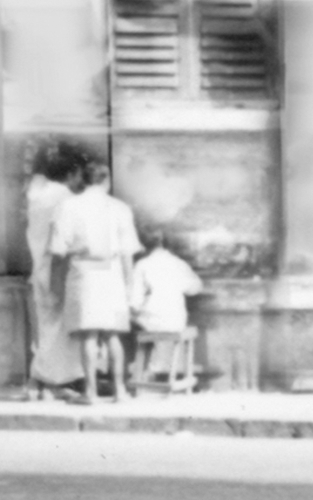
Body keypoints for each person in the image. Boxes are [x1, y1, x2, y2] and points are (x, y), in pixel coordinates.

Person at [49, 158, 144, 403]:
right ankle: (120, 391)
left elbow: (58, 251)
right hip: (112, 271)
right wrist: (129, 284)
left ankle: (90, 392)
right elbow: (127, 253)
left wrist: (54, 283)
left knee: (89, 335)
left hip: (84, 272)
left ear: (83, 180)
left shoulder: (68, 206)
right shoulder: (119, 208)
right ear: (106, 181)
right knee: (113, 335)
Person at [22, 142, 83, 397]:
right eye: (78, 174)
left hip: (40, 267)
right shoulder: (65, 199)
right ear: (71, 174)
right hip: (58, 267)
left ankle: (42, 382)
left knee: (47, 327)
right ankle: (48, 382)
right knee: (57, 331)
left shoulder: (37, 195)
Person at [130, 228, 205, 393]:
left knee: (131, 323)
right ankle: (156, 369)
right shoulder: (178, 263)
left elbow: (134, 301)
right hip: (176, 321)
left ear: (143, 246)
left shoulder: (142, 265)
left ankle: (141, 372)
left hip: (151, 322)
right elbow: (195, 288)